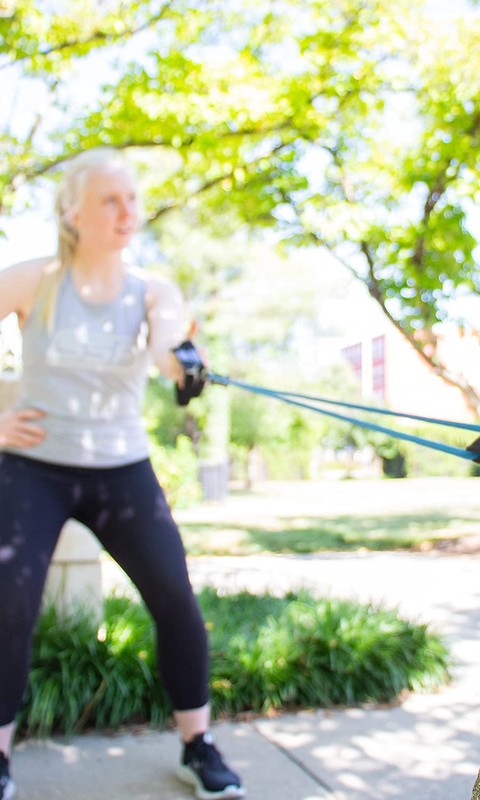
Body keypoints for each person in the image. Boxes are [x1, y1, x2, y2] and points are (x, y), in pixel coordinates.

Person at [0, 148, 245, 800]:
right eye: (110, 200)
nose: (127, 212)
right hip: (34, 467)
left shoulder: (152, 291)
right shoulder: (32, 281)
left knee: (176, 600)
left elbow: (169, 346)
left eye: (131, 199)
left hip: (121, 472)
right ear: (72, 213)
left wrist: (186, 365)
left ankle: (198, 743)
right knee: (8, 605)